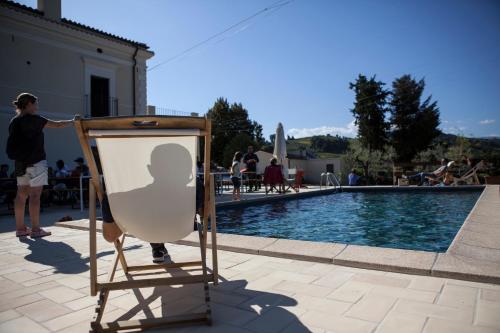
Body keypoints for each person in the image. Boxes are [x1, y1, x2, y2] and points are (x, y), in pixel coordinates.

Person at [6, 93, 74, 238]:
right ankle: (36, 230)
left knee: (21, 195)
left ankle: (20, 229)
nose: (37, 107)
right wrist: (73, 121)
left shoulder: (14, 121)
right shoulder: (35, 120)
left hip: (20, 163)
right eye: (35, 104)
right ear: (29, 104)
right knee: (35, 195)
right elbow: (58, 124)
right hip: (36, 162)